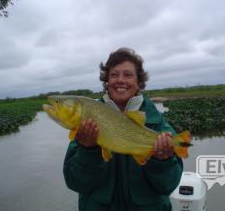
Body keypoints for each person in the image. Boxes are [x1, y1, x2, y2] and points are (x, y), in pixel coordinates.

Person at [63, 48, 183, 211]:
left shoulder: (158, 124)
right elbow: (75, 182)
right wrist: (87, 151)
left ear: (139, 82)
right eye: (114, 75)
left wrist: (162, 162)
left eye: (128, 75)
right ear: (106, 81)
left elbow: (168, 186)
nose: (120, 80)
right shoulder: (88, 120)